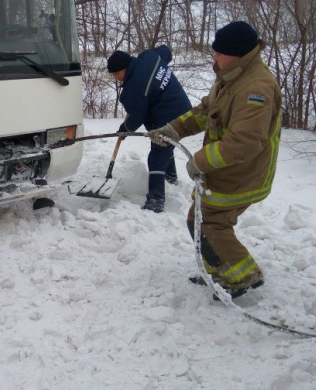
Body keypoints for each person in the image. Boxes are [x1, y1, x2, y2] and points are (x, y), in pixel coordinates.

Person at [148, 21, 282, 299]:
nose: (213, 57)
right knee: (200, 220)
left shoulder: (255, 88)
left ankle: (242, 276)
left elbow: (243, 142)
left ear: (236, 54)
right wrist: (173, 129)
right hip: (226, 171)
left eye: (218, 53)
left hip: (242, 174)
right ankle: (221, 271)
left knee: (209, 223)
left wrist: (199, 161)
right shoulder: (232, 76)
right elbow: (206, 111)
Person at [107, 45, 192, 213]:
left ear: (125, 67)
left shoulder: (135, 88)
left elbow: (137, 116)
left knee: (157, 155)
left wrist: (125, 129)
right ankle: (171, 177)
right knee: (166, 144)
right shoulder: (149, 57)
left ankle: (156, 200)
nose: (116, 78)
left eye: (117, 74)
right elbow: (166, 51)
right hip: (184, 109)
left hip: (170, 117)